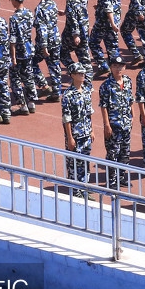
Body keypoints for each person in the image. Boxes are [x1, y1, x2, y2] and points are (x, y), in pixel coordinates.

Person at [100, 55, 134, 185]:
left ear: (124, 67)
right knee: (113, 153)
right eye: (115, 66)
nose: (118, 68)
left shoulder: (128, 81)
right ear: (111, 67)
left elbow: (130, 100)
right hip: (114, 125)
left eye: (120, 66)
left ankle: (121, 177)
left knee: (125, 152)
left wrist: (132, 116)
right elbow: (103, 106)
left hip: (126, 123)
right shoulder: (106, 85)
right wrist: (106, 125)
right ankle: (112, 180)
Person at [61, 63, 94, 195]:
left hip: (86, 134)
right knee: (74, 164)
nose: (82, 75)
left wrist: (92, 130)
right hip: (75, 136)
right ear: (72, 75)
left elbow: (89, 113)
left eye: (83, 73)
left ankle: (84, 189)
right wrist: (70, 138)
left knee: (85, 163)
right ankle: (75, 191)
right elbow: (66, 119)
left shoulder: (86, 91)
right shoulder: (68, 95)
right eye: (79, 73)